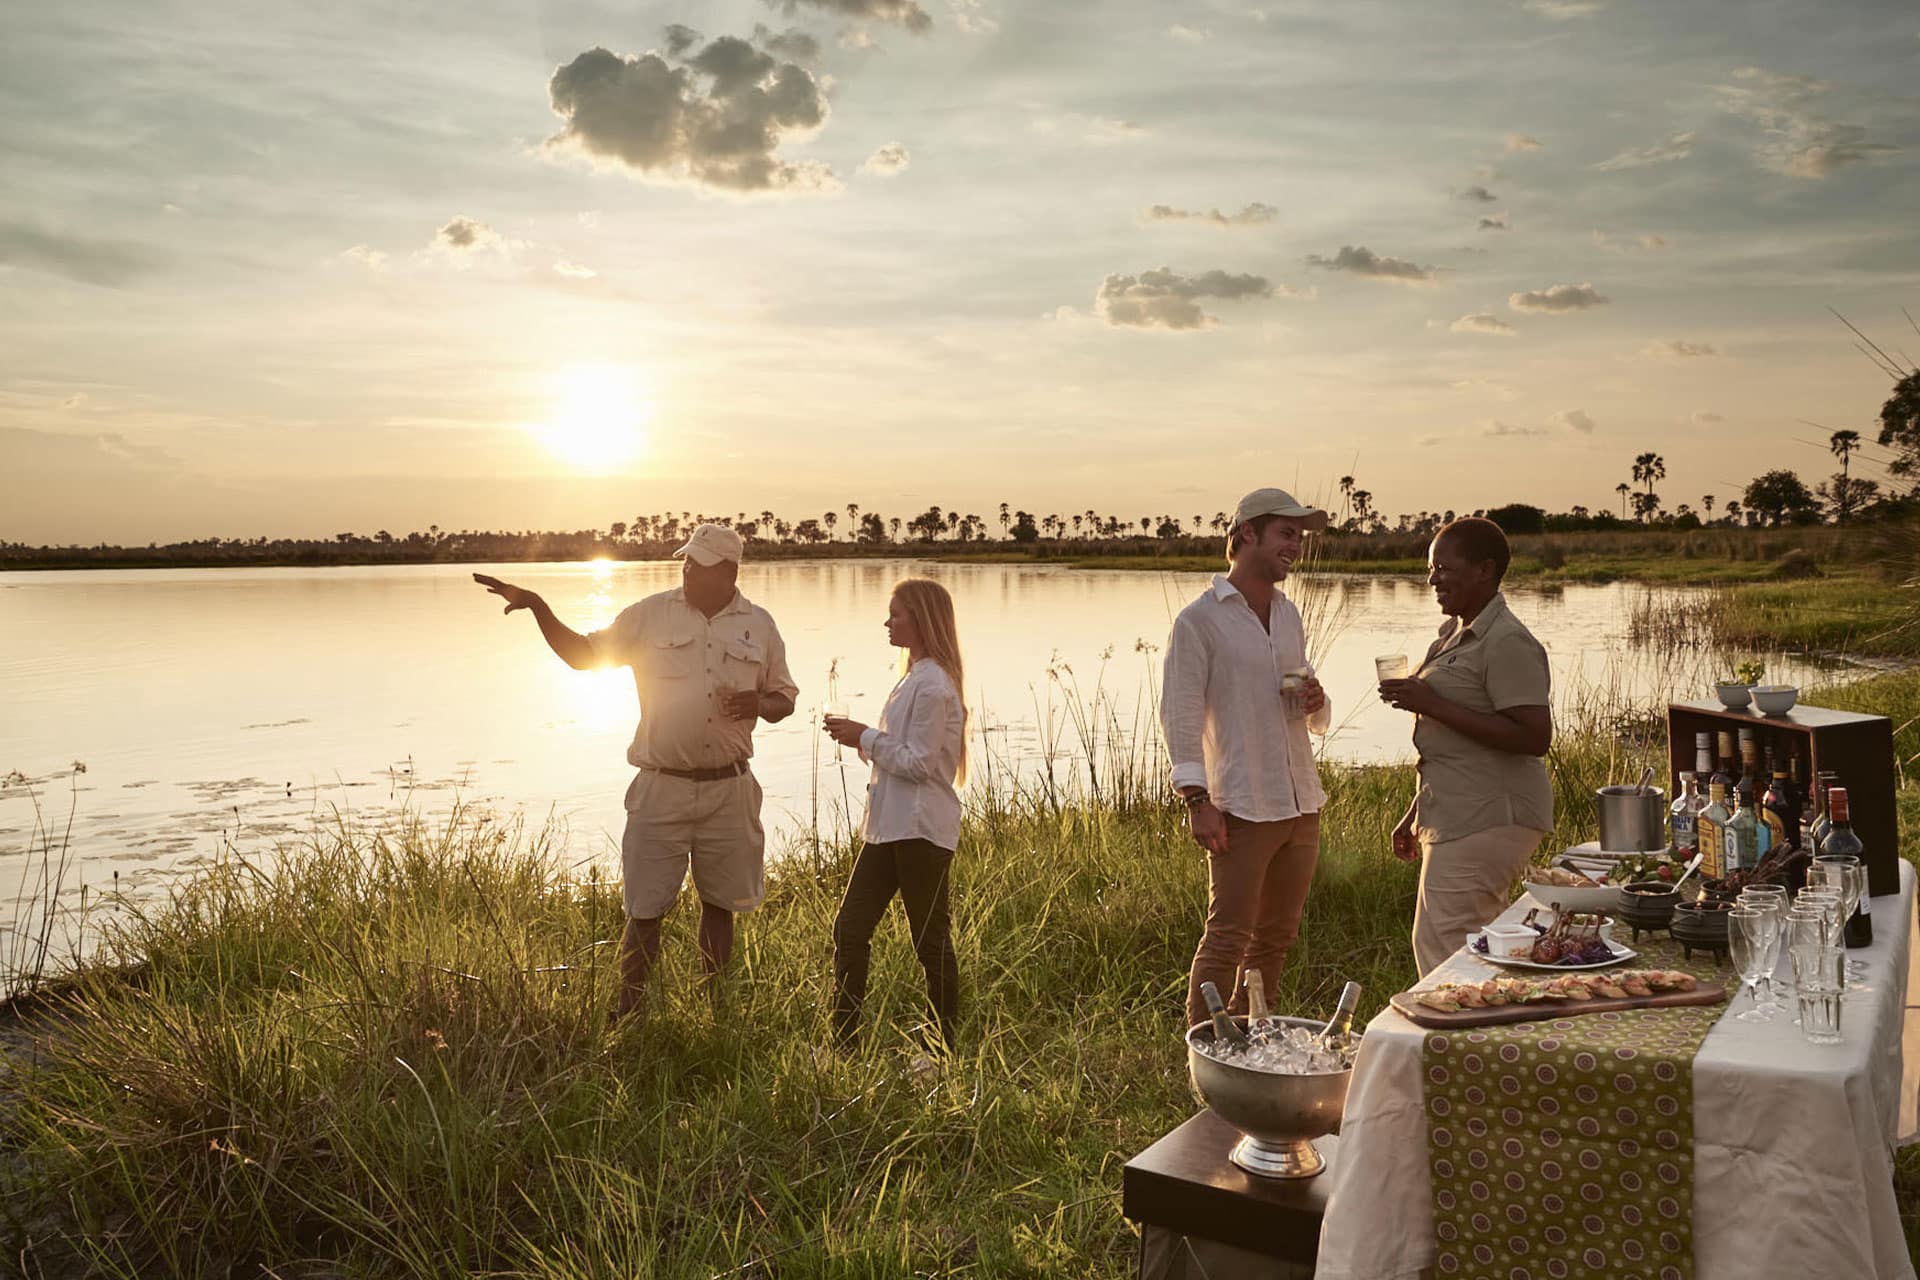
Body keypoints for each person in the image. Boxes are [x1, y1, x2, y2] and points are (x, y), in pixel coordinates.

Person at [473, 522, 797, 1017]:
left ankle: (719, 1015)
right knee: (644, 910)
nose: (687, 570)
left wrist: (759, 701)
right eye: (686, 561)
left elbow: (784, 701)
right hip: (660, 789)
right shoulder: (649, 615)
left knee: (721, 906)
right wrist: (539, 606)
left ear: (728, 572)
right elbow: (584, 656)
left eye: (700, 564)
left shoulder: (760, 624)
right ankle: (629, 1017)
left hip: (730, 789)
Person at [1159, 488, 1332, 1031]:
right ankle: (1203, 1050)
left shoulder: (1289, 615)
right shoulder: (1199, 621)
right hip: (1242, 805)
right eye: (1286, 534)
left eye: (1300, 538)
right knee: (1229, 935)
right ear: (1247, 535)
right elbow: (1180, 716)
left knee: (1277, 935)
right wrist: (1197, 801)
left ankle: (1253, 1043)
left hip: (1300, 800)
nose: (1296, 547)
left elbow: (1305, 705)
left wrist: (1317, 700)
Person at [1378, 516, 1554, 976]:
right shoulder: (1455, 632)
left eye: (1443, 567)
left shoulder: (1507, 641)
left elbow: (1534, 736)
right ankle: (1490, 1040)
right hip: (1456, 810)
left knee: (1446, 949)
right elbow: (1456, 746)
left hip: (1490, 815)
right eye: (1430, 568)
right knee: (1468, 944)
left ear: (1484, 570)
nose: (1432, 578)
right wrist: (1416, 812)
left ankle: (1454, 1043)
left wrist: (1432, 703)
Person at [822, 579, 967, 1048]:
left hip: (920, 831)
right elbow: (903, 754)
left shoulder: (933, 686)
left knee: (929, 942)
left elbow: (920, 764)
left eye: (896, 614)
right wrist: (863, 740)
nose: (887, 622)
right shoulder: (914, 677)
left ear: (921, 621)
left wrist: (864, 736)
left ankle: (941, 1047)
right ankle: (844, 1043)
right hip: (888, 829)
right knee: (850, 927)